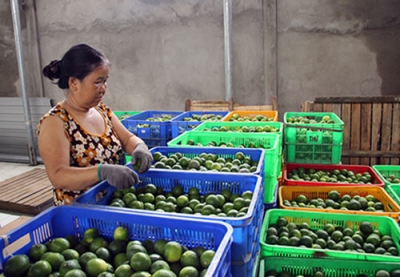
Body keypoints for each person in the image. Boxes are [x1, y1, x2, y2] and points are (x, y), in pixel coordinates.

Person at [37, 43, 153, 206]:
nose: (103, 88)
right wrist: (102, 172)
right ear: (74, 83)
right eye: (98, 82)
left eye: (105, 81)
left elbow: (127, 139)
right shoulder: (55, 122)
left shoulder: (102, 111)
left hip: (116, 204)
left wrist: (139, 147)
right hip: (82, 214)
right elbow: (58, 176)